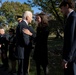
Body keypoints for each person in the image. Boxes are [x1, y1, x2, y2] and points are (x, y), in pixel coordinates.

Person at [16, 11, 36, 75]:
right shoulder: (24, 25)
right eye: (31, 17)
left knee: (21, 69)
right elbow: (26, 41)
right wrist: (31, 46)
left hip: (21, 51)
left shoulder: (21, 24)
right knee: (23, 70)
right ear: (27, 17)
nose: (32, 19)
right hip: (23, 52)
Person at [59, 1, 76, 75]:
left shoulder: (73, 17)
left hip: (72, 57)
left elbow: (72, 39)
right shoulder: (70, 17)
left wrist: (67, 59)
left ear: (66, 6)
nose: (61, 10)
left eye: (62, 8)